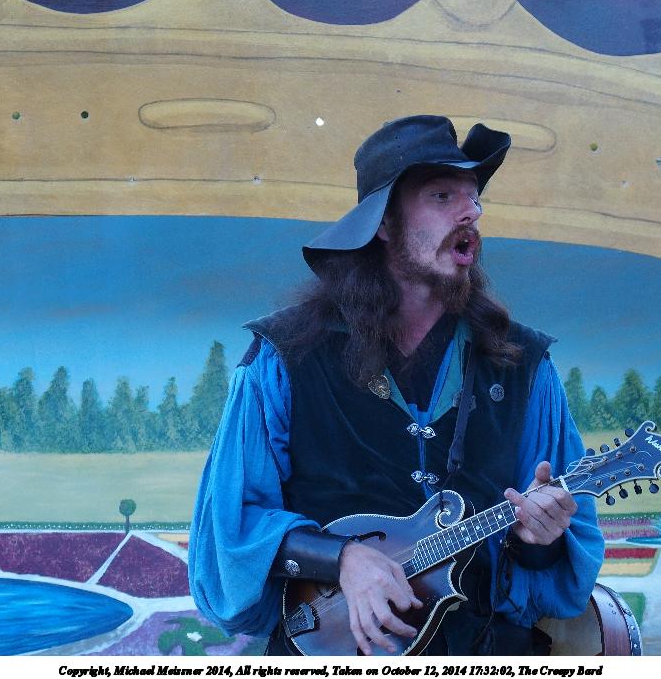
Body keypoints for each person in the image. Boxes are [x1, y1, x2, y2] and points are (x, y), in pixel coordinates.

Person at [189, 115, 605, 656]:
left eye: (474, 198)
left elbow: (545, 569)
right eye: (442, 195)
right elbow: (234, 528)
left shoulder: (524, 366)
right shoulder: (283, 359)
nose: (470, 212)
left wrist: (539, 541)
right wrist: (341, 558)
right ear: (383, 223)